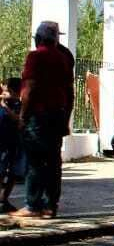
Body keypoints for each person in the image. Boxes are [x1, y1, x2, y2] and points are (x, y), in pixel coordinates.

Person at [17, 21, 74, 218]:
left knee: (35, 160)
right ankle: (51, 205)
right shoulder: (63, 58)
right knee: (53, 160)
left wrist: (22, 116)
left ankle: (33, 204)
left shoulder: (35, 56)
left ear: (38, 37)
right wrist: (66, 116)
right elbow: (69, 91)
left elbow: (29, 88)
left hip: (39, 115)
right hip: (57, 114)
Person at [0, 77, 22, 213]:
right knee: (0, 172)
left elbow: (18, 119)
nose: (3, 93)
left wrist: (5, 107)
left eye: (6, 91)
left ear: (14, 92)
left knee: (14, 173)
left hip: (14, 143)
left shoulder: (18, 105)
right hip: (2, 143)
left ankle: (4, 198)